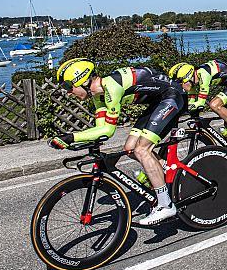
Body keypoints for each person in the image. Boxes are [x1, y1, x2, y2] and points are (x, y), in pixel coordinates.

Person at [50, 58, 186, 226]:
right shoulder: (97, 97)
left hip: (173, 96)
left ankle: (165, 205)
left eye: (69, 87)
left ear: (82, 80)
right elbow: (102, 131)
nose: (69, 93)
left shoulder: (112, 87)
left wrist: (72, 137)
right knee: (129, 148)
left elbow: (108, 130)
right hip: (158, 102)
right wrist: (70, 141)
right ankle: (167, 171)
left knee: (142, 150)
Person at [168, 60, 227, 147]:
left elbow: (201, 102)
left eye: (180, 83)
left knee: (214, 104)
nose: (180, 87)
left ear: (187, 77)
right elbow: (191, 102)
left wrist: (191, 107)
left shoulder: (204, 73)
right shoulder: (193, 80)